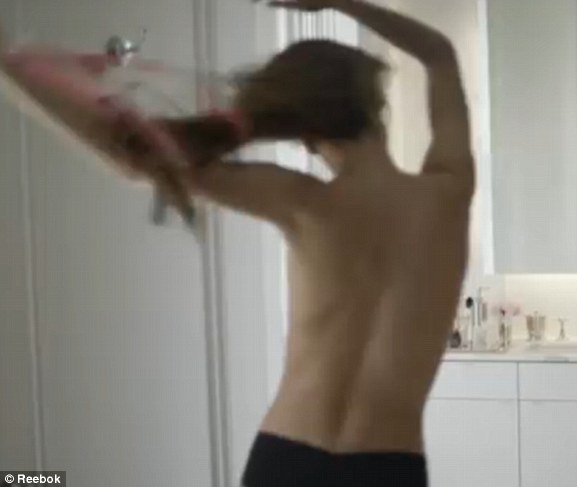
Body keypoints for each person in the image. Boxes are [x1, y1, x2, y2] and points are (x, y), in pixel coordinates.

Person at [2, 1, 474, 485]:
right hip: (389, 467)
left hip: (287, 459)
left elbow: (133, 157)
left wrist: (10, 66)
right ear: (376, 109)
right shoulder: (448, 196)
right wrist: (339, 2)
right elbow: (438, 54)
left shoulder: (304, 203)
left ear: (306, 135)